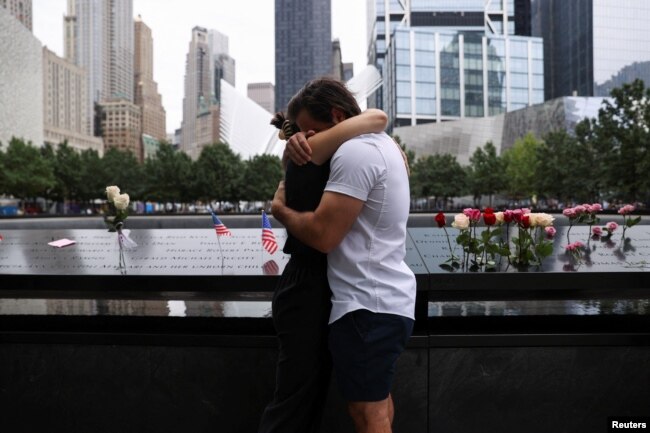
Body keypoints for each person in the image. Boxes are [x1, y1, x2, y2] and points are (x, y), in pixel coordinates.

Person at [271, 77, 416, 433]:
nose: (306, 142)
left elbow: (322, 236)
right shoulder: (387, 145)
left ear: (338, 116)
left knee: (368, 415)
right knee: (377, 406)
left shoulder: (355, 152)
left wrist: (280, 211)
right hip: (387, 299)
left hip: (365, 305)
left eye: (310, 132)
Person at [258, 101, 389, 433]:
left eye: (311, 130)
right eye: (304, 131)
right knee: (295, 403)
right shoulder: (307, 155)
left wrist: (388, 142)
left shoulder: (343, 152)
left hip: (320, 286)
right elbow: (376, 117)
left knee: (310, 402)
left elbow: (377, 119)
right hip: (306, 289)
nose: (309, 137)